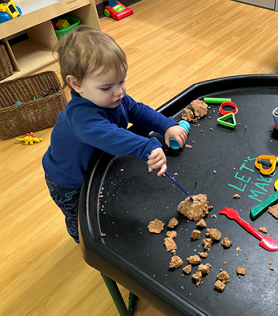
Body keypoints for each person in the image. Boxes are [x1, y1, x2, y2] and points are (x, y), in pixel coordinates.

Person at [42, 25, 188, 243]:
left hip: (96, 164)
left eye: (122, 81)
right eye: (107, 86)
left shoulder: (113, 98)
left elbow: (136, 110)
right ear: (76, 84)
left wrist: (165, 125)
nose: (119, 91)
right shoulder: (81, 117)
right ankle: (84, 244)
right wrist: (147, 146)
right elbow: (111, 136)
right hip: (69, 181)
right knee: (80, 218)